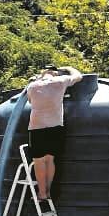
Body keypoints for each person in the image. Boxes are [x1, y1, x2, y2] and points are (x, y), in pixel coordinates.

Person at [26, 66, 82, 201]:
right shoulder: (61, 81)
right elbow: (78, 76)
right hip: (56, 127)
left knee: (39, 161)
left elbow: (30, 101)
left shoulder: (32, 86)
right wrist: (69, 68)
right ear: (55, 73)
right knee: (50, 160)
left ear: (43, 72)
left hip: (37, 127)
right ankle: (48, 191)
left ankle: (42, 193)